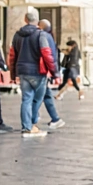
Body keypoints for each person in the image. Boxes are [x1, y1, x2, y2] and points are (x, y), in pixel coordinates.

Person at [7, 8, 56, 137]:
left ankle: (26, 127)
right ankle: (32, 124)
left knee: (26, 99)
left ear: (25, 20)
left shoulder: (17, 35)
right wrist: (54, 72)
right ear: (37, 21)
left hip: (22, 71)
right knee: (38, 99)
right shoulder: (41, 35)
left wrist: (12, 74)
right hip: (38, 72)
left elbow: (12, 55)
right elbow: (47, 54)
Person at [36, 19, 65, 130]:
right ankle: (55, 118)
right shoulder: (50, 38)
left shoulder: (42, 37)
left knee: (34, 96)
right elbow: (53, 57)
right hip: (45, 71)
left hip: (39, 71)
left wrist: (54, 73)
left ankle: (33, 118)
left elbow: (47, 55)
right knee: (46, 95)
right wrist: (54, 73)